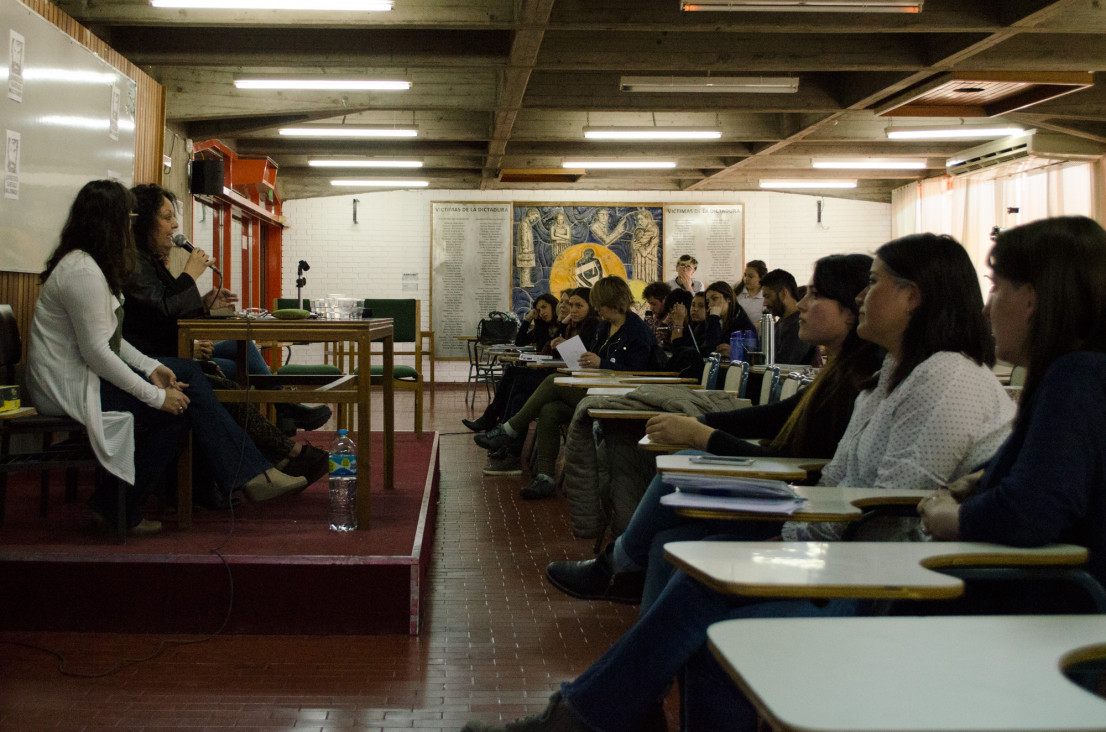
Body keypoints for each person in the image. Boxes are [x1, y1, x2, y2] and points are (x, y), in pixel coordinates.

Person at [463, 233, 1016, 732]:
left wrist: (783, 554)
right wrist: (785, 545)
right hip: (841, 554)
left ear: (914, 296)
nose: (861, 297)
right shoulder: (889, 377)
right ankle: (612, 708)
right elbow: (844, 485)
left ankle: (589, 713)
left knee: (709, 599)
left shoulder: (946, 378)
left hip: (898, 589)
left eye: (873, 284)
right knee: (679, 552)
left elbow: (894, 517)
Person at [548, 254, 884, 605]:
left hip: (801, 507)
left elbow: (791, 462)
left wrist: (700, 435)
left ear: (849, 309)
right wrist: (701, 423)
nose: (800, 303)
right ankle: (625, 567)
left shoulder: (860, 382)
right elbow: (775, 415)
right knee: (666, 536)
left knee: (682, 466)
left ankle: (617, 563)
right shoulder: (841, 373)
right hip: (793, 494)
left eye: (814, 295)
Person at [26, 181, 307, 536]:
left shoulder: (92, 266)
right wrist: (155, 395)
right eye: (128, 219)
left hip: (85, 377)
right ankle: (249, 474)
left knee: (181, 399)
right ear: (109, 223)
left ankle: (116, 506)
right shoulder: (82, 272)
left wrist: (153, 368)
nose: (133, 227)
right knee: (178, 400)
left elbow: (111, 341)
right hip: (67, 388)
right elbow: (99, 353)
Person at [920, 216, 1106, 592]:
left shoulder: (1077, 376)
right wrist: (983, 479)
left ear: (1031, 300)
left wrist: (952, 517)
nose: (987, 310)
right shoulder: (1087, 371)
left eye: (995, 289)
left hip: (1053, 614)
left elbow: (1033, 510)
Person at [122, 184, 329, 498]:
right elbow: (161, 314)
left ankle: (283, 425)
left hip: (168, 355)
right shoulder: (133, 263)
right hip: (155, 362)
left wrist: (205, 303)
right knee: (222, 386)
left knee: (238, 346)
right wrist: (190, 276)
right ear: (142, 222)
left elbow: (164, 310)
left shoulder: (149, 261)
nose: (176, 226)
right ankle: (283, 454)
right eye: (167, 218)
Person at [476, 276, 659, 499]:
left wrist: (602, 363)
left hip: (621, 397)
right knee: (549, 410)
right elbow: (588, 359)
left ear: (612, 301)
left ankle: (509, 430)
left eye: (599, 303)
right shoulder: (604, 327)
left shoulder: (636, 331)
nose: (597, 308)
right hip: (595, 390)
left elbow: (637, 372)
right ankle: (545, 477)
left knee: (552, 382)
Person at [461, 293, 559, 435]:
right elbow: (520, 342)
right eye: (538, 310)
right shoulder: (542, 327)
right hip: (541, 370)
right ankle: (497, 426)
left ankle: (493, 422)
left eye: (544, 307)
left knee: (513, 377)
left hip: (549, 374)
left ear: (554, 306)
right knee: (511, 377)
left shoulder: (560, 326)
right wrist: (527, 319)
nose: (542, 312)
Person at [761, 268, 817, 364]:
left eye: (768, 296)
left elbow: (784, 366)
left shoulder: (799, 325)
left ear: (783, 293)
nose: (764, 303)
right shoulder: (781, 324)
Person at [701, 280, 756, 359]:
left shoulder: (744, 324)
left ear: (728, 299)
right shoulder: (713, 320)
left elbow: (752, 356)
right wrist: (714, 319)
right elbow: (710, 349)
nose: (710, 304)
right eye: (708, 301)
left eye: (715, 298)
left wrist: (735, 352)